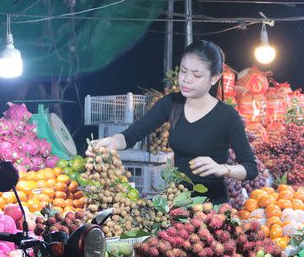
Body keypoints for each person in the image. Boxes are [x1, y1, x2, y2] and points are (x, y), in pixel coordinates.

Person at [93, 40, 258, 204]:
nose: (186, 79)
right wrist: (111, 142)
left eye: (196, 75)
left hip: (212, 210)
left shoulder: (227, 116)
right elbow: (132, 135)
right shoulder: (171, 103)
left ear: (214, 78)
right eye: (183, 71)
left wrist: (223, 169)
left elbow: (250, 168)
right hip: (177, 202)